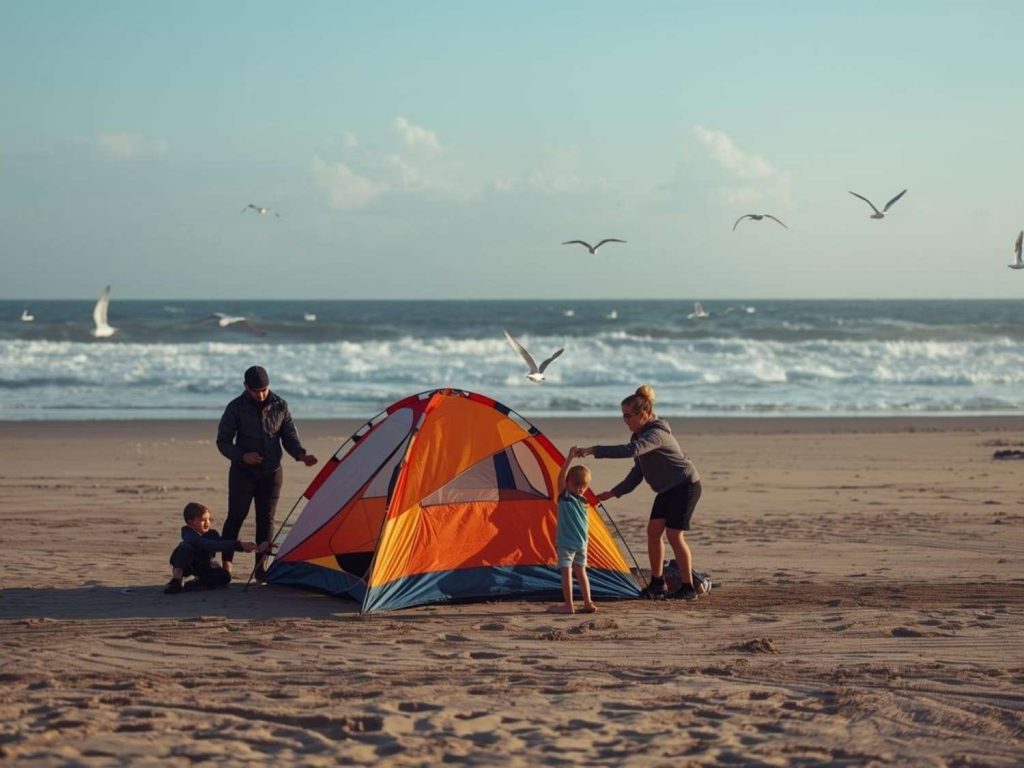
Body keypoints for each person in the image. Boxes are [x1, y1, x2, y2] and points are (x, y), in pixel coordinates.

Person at [575, 384, 704, 600]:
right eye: (623, 417)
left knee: (674, 535)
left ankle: (688, 587)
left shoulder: (655, 434)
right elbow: (638, 473)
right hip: (666, 489)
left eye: (628, 416)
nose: (626, 421)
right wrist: (612, 493)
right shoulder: (639, 436)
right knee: (653, 532)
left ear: (643, 414)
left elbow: (631, 451)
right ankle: (657, 583)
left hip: (685, 485)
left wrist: (593, 450)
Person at [216, 365, 318, 582]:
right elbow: (223, 442)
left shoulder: (280, 405)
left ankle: (261, 568)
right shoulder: (235, 407)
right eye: (255, 390)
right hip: (243, 473)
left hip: (271, 473)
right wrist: (243, 456)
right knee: (235, 518)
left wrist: (301, 454)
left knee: (266, 521)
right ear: (246, 387)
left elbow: (289, 435)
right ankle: (227, 565)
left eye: (264, 389)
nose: (261, 394)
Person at [164, 502, 263, 594]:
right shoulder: (188, 533)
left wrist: (251, 546)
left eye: (209, 520)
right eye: (203, 520)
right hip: (187, 564)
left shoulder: (212, 534)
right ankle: (176, 581)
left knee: (225, 576)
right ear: (191, 523)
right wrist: (239, 545)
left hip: (205, 565)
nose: (207, 523)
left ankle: (197, 584)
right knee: (185, 547)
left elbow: (221, 544)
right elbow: (207, 544)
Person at [548, 450, 598, 615]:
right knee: (581, 572)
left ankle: (568, 605)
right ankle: (588, 602)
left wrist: (569, 457)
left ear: (568, 482)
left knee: (566, 572)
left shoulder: (566, 497)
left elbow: (560, 476)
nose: (580, 489)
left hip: (566, 543)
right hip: (581, 544)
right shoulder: (584, 501)